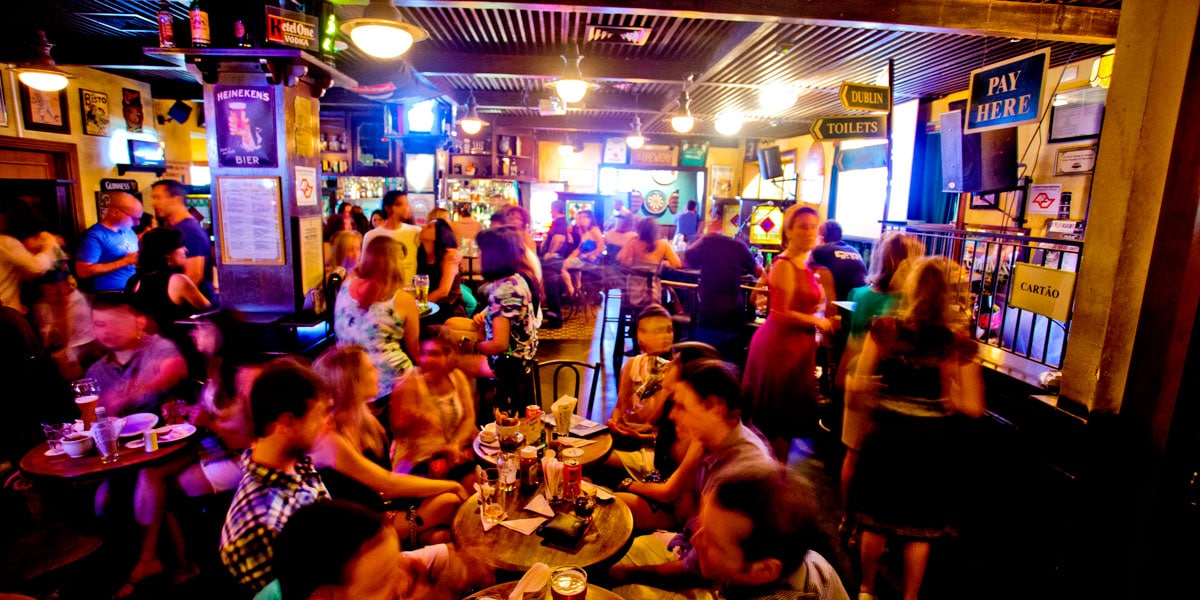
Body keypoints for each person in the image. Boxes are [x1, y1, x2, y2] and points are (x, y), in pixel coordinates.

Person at [847, 256, 985, 600]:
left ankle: (866, 589)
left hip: (886, 435)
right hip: (929, 442)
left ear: (910, 289)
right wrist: (949, 395)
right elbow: (973, 407)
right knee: (919, 530)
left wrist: (871, 391)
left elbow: (858, 383)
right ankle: (910, 597)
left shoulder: (885, 328)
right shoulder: (954, 342)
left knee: (875, 521)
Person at [611, 358, 775, 588]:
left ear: (714, 406)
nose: (672, 415)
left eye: (681, 406)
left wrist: (624, 575)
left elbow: (700, 570)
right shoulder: (715, 441)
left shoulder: (740, 474)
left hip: (717, 585)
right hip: (687, 545)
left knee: (606, 568)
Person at [310, 345, 467, 545]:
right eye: (370, 368)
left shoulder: (366, 421)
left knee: (443, 529)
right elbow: (387, 484)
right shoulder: (329, 439)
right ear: (352, 383)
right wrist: (452, 485)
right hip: (359, 527)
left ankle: (421, 539)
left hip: (383, 506)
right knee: (449, 500)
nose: (378, 371)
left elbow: (388, 482)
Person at [219, 359, 334, 594]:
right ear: (287, 422)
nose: (327, 423)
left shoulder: (297, 466)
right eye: (321, 414)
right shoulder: (258, 528)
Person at [839, 232, 924, 532]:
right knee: (884, 462)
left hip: (856, 376)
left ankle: (847, 519)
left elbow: (851, 341)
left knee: (853, 454)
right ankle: (876, 525)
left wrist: (845, 378)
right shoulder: (910, 304)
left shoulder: (859, 295)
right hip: (888, 385)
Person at [742, 205, 834, 460]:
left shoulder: (803, 264)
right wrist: (818, 322)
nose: (809, 232)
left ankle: (775, 475)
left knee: (786, 422)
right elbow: (781, 312)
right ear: (788, 231)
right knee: (777, 423)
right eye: (803, 227)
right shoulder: (784, 264)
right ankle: (771, 477)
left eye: (813, 227)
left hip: (796, 347)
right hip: (780, 348)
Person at [263, 500, 488, 600]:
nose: (404, 578)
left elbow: (457, 559)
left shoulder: (361, 567)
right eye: (385, 580)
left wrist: (461, 563)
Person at [690, 466, 850, 600]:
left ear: (764, 570)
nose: (694, 540)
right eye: (701, 523)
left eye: (712, 540)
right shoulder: (811, 560)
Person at [333, 236, 421, 401]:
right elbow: (415, 350)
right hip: (388, 382)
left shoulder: (346, 286)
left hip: (348, 379)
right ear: (396, 263)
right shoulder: (401, 299)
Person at [390, 327, 478, 482]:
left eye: (434, 354)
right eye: (424, 353)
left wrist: (455, 444)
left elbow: (469, 418)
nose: (427, 359)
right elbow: (399, 430)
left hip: (452, 455)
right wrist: (417, 415)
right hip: (418, 462)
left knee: (479, 483)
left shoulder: (457, 377)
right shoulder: (409, 383)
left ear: (449, 355)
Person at [470, 227, 541, 414]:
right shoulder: (516, 279)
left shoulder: (504, 292)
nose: (478, 255)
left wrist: (474, 346)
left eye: (481, 250)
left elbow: (499, 345)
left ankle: (478, 418)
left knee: (453, 361)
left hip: (509, 365)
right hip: (522, 358)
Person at [85, 293, 188, 417]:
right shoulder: (95, 372)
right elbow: (92, 417)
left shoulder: (157, 346)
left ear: (141, 322)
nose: (107, 331)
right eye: (99, 325)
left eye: (116, 323)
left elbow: (175, 369)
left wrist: (132, 393)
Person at [606, 304, 674, 479]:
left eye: (669, 330)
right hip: (629, 441)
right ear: (640, 335)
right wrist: (616, 421)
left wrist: (639, 435)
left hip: (656, 451)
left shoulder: (675, 372)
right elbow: (620, 407)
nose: (666, 336)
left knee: (597, 461)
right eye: (658, 331)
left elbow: (672, 438)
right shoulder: (632, 365)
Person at [127, 227, 212, 331]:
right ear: (167, 254)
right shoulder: (178, 281)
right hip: (174, 338)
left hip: (144, 339)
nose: (186, 250)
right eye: (180, 246)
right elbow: (207, 308)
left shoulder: (134, 280)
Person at [684, 217, 761, 328]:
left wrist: (706, 236)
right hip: (733, 310)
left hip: (708, 309)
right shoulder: (738, 246)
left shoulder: (706, 244)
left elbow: (686, 260)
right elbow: (757, 271)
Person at [151, 180, 215, 299]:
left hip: (191, 306)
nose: (152, 203)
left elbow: (193, 276)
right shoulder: (175, 228)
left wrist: (169, 303)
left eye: (157, 197)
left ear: (177, 199)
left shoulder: (189, 230)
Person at [0, 199, 61, 314]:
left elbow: (25, 275)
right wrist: (50, 243)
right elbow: (36, 268)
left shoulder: (7, 242)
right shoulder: (5, 242)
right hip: (6, 312)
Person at [75, 191, 142, 293]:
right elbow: (83, 271)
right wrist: (123, 262)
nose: (138, 223)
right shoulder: (94, 236)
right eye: (134, 218)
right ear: (115, 212)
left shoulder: (129, 231)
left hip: (131, 291)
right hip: (109, 295)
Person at [618, 218, 682, 308]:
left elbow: (622, 260)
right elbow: (677, 264)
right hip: (652, 294)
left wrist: (630, 242)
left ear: (639, 230)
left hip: (633, 292)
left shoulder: (634, 243)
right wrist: (663, 263)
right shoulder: (663, 244)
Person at [361, 191, 421, 284]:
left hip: (410, 288)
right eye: (403, 205)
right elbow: (365, 266)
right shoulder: (372, 235)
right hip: (383, 289)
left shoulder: (415, 232)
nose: (407, 208)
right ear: (389, 208)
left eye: (407, 204)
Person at [417, 218, 465, 320]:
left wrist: (419, 306)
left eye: (429, 226)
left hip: (448, 308)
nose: (423, 226)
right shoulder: (421, 254)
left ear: (439, 235)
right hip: (429, 306)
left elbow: (443, 291)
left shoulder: (449, 256)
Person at [810, 220, 868, 303]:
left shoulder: (821, 250)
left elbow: (805, 271)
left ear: (821, 238)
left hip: (840, 303)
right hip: (861, 302)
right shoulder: (853, 250)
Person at [562, 208, 605, 297]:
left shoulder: (594, 230)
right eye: (580, 217)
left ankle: (570, 290)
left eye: (584, 217)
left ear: (590, 219)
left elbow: (601, 247)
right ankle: (578, 287)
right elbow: (579, 248)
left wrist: (589, 255)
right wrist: (571, 256)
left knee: (563, 267)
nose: (582, 219)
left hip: (591, 261)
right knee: (567, 262)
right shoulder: (583, 231)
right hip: (583, 259)